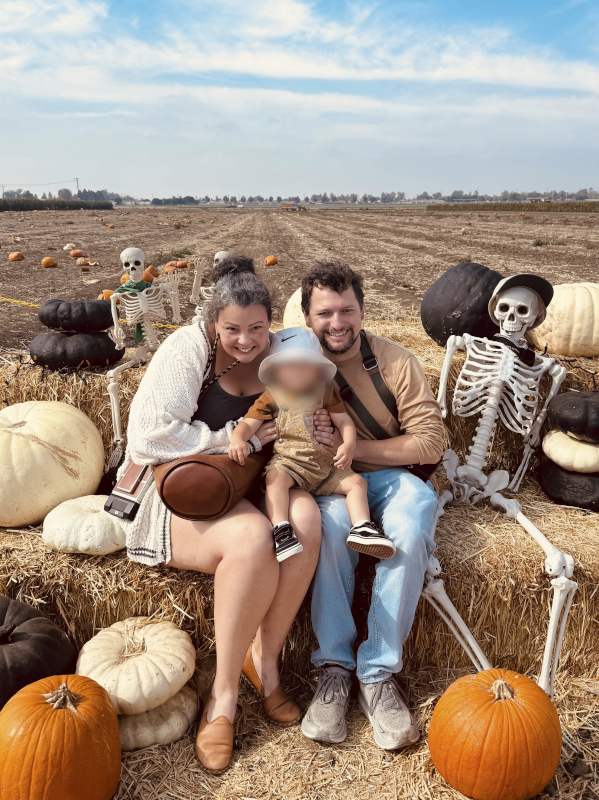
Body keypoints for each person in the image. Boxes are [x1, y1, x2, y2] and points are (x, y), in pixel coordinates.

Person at [118, 256, 322, 774]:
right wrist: (233, 437)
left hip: (253, 481)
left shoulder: (288, 351)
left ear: (271, 322)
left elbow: (310, 410)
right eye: (232, 329)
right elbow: (148, 437)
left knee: (305, 523)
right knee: (254, 540)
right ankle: (223, 697)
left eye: (257, 328)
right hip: (185, 488)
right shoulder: (188, 349)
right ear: (213, 322)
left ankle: (265, 662)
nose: (246, 340)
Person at [299, 261, 445, 752]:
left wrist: (353, 447)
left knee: (412, 519)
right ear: (306, 317)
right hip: (332, 482)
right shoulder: (292, 364)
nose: (337, 323)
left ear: (362, 311)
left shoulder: (396, 362)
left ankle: (377, 671)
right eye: (325, 313)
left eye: (347, 310)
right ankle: (334, 666)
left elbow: (430, 442)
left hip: (390, 475)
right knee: (330, 527)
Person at [228, 327, 395, 562]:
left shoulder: (324, 391)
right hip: (291, 464)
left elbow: (344, 421)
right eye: (289, 365)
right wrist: (238, 439)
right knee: (274, 479)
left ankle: (362, 526)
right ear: (275, 370)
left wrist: (348, 445)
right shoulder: (271, 396)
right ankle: (281, 529)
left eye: (306, 365)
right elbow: (248, 423)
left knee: (357, 483)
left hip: (325, 466)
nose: (298, 371)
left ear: (317, 369)